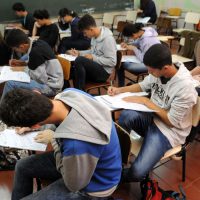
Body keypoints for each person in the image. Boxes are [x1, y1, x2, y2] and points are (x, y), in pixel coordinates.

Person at [0, 88, 122, 200]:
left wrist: (54, 139)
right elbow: (60, 120)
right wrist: (34, 127)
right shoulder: (69, 94)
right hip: (85, 160)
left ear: (36, 125)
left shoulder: (76, 144)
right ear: (36, 93)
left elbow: (73, 185)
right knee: (22, 166)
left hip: (95, 185)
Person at [108, 44, 198, 182]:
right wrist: (119, 90)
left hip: (168, 131)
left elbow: (172, 121)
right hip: (151, 117)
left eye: (151, 71)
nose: (149, 74)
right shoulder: (158, 70)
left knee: (137, 173)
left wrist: (147, 102)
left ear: (165, 68)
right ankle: (116, 161)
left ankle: (113, 177)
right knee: (126, 115)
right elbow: (142, 85)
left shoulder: (185, 89)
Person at [2, 29, 63, 99]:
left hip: (51, 88)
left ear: (22, 46)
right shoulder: (36, 42)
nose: (16, 51)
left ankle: (3, 109)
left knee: (10, 84)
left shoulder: (35, 53)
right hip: (54, 81)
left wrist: (24, 70)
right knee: (22, 62)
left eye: (15, 49)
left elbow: (40, 80)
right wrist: (23, 63)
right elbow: (38, 65)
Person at [68, 14, 117, 91]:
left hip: (104, 73)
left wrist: (94, 58)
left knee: (79, 60)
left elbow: (112, 62)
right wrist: (79, 53)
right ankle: (79, 93)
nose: (84, 35)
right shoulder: (94, 36)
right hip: (96, 67)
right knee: (73, 70)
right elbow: (92, 51)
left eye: (85, 33)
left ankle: (80, 93)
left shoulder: (108, 40)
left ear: (91, 29)